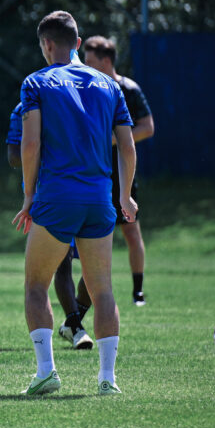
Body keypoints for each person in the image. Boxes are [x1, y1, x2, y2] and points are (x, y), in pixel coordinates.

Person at [13, 11, 136, 396]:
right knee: (103, 291)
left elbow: (29, 144)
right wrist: (124, 194)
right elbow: (128, 148)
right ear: (79, 43)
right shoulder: (109, 85)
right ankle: (107, 380)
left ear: (47, 44)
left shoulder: (36, 82)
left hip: (56, 197)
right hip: (100, 199)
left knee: (36, 285)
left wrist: (29, 194)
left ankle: (47, 372)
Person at [6, 102, 92, 349]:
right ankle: (76, 329)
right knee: (62, 266)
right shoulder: (24, 108)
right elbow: (13, 157)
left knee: (93, 273)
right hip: (47, 195)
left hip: (83, 192)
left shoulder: (75, 104)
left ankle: (71, 323)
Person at [82, 35, 155, 307]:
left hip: (122, 172)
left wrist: (117, 139)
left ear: (106, 60)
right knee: (96, 237)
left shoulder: (128, 89)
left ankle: (137, 291)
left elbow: (147, 127)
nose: (86, 66)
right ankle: (87, 298)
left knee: (131, 232)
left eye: (90, 61)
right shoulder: (87, 88)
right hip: (94, 172)